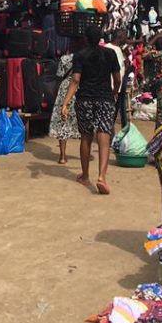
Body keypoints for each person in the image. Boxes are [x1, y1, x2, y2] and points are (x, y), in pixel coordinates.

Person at [61, 25, 121, 195]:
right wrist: (114, 93)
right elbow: (117, 78)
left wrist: (65, 103)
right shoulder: (110, 54)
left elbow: (75, 80)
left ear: (85, 39)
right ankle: (102, 176)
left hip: (85, 99)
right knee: (104, 136)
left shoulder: (80, 55)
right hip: (105, 98)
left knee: (86, 136)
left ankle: (85, 175)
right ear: (101, 38)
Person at [49, 40, 83, 164]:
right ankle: (85, 153)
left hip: (64, 90)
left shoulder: (64, 58)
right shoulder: (84, 58)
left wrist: (55, 93)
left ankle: (62, 156)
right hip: (80, 89)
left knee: (63, 121)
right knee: (82, 121)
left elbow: (59, 76)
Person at [108, 28, 131, 128]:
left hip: (119, 87)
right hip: (112, 87)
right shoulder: (109, 49)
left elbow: (123, 67)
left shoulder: (119, 49)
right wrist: (115, 90)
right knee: (110, 114)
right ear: (120, 37)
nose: (127, 39)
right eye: (125, 36)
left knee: (115, 112)